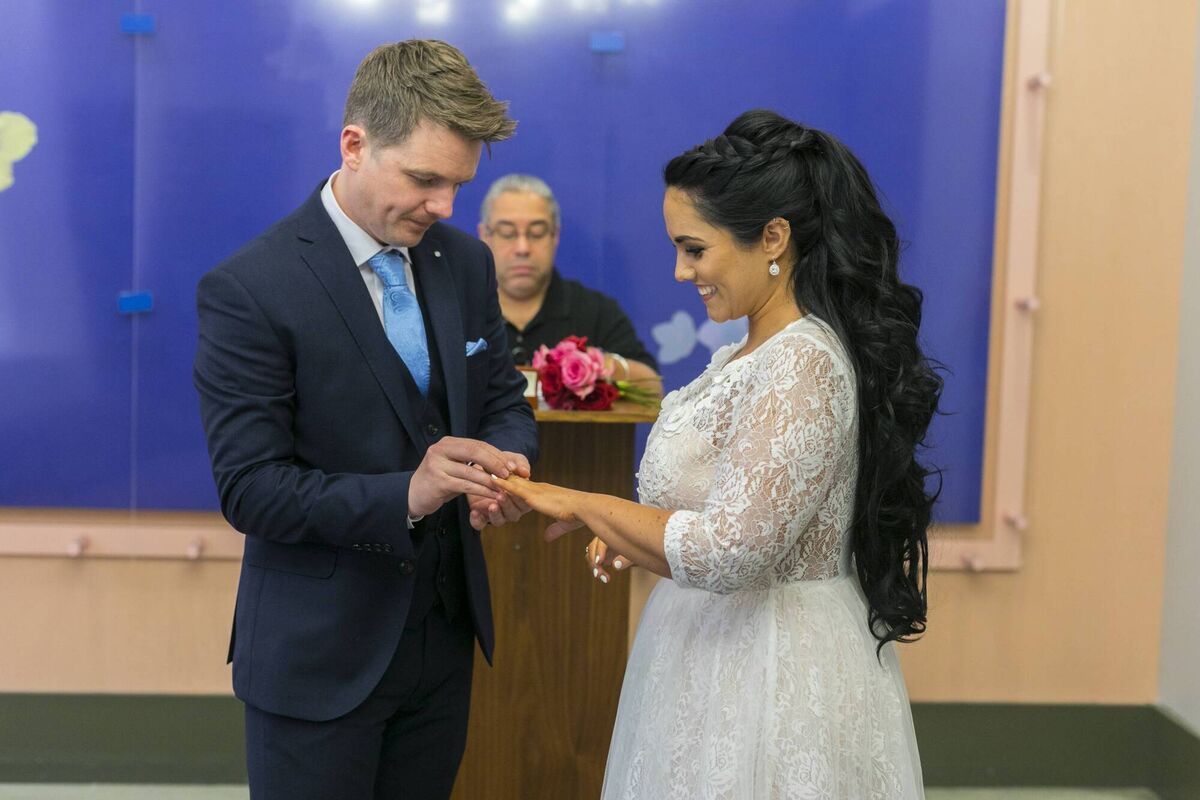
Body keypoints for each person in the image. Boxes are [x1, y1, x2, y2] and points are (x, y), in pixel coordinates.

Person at [497, 109, 941, 798]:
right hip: (707, 654)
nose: (679, 271)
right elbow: (711, 513)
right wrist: (631, 537)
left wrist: (586, 504)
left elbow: (735, 550)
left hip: (771, 673)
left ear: (773, 238)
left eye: (694, 249)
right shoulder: (743, 353)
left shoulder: (802, 362)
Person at [193, 40, 539, 799]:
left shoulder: (463, 261)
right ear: (354, 145)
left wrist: (507, 463)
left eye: (457, 185)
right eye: (424, 179)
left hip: (444, 646)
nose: (445, 207)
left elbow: (503, 402)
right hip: (317, 663)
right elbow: (251, 490)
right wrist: (407, 495)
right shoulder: (251, 289)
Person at [477, 173, 660, 386]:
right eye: (507, 233)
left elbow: (653, 387)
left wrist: (597, 365)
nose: (522, 248)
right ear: (484, 235)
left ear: (555, 236)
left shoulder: (596, 311)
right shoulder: (461, 310)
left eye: (537, 233)